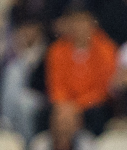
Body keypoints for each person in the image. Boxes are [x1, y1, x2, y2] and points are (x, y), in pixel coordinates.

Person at [45, 3, 118, 136]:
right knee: (49, 113)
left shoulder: (106, 49)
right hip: (65, 105)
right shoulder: (56, 50)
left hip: (92, 105)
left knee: (97, 113)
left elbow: (103, 88)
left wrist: (77, 106)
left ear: (92, 23)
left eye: (82, 21)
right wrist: (64, 105)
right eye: (74, 21)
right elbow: (56, 84)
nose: (78, 26)